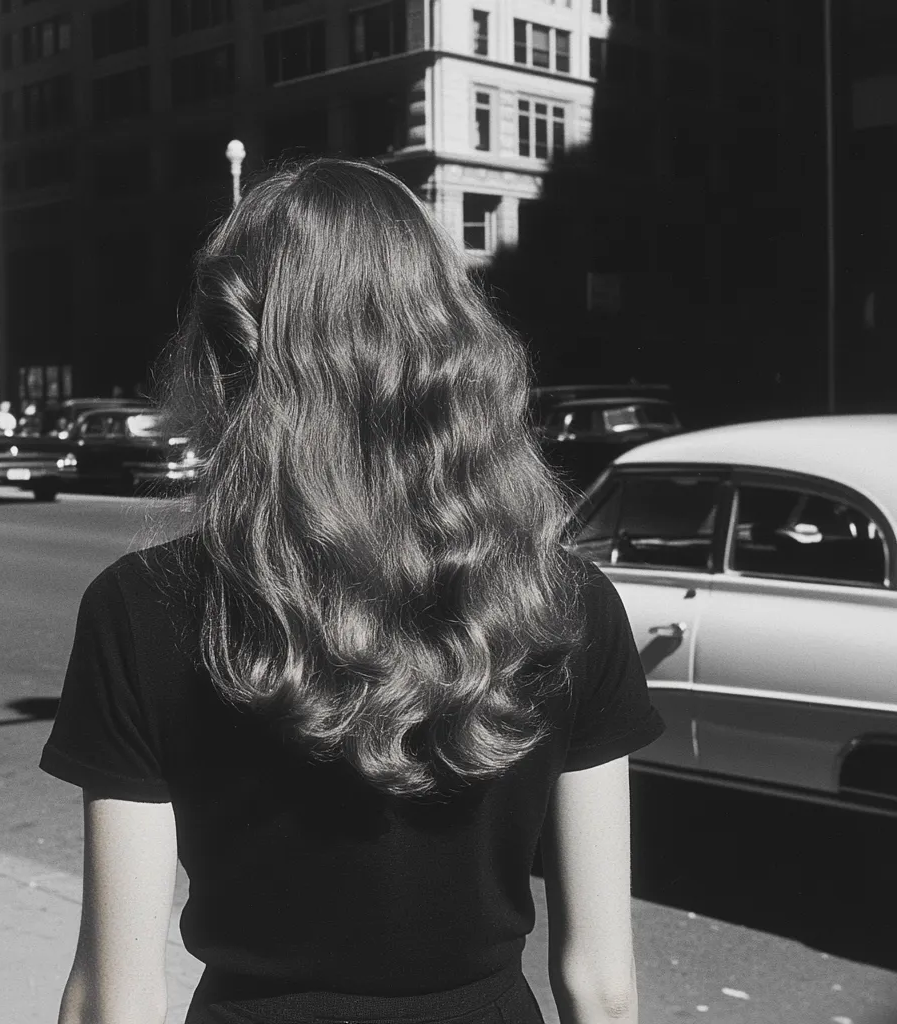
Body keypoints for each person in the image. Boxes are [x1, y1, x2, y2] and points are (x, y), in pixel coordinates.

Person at [40, 159, 665, 1024]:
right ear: (452, 347)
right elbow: (601, 985)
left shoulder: (142, 607)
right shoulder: (564, 603)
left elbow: (117, 995)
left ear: (231, 355)